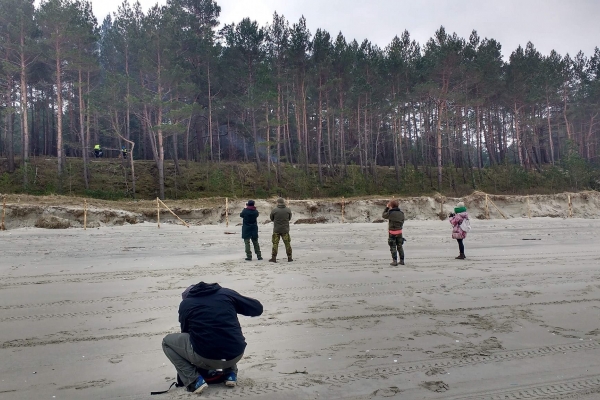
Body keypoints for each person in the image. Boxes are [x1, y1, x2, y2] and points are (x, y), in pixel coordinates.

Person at [162, 282, 263, 394]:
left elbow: (186, 332)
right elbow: (257, 309)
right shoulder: (226, 293)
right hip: (236, 354)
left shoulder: (186, 304)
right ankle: (230, 374)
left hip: (206, 357)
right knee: (225, 329)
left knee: (166, 342)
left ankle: (194, 380)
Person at [382, 199, 405, 266]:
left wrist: (387, 208)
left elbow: (383, 215)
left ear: (391, 206)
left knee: (393, 247)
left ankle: (394, 261)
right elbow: (402, 221)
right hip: (399, 231)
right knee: (400, 246)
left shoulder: (390, 213)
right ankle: (402, 260)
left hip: (392, 232)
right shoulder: (401, 213)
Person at [269, 197, 292, 263]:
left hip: (276, 229)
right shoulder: (288, 210)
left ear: (278, 202)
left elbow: (271, 218)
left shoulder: (274, 210)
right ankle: (289, 257)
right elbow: (289, 218)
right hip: (285, 229)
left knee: (275, 243)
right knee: (287, 243)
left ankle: (273, 258)